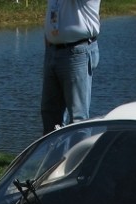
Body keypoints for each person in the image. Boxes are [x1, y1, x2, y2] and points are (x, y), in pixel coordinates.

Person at [40, 0, 101, 134]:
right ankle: (54, 154)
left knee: (78, 118)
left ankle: (78, 154)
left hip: (77, 52)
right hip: (53, 51)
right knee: (49, 112)